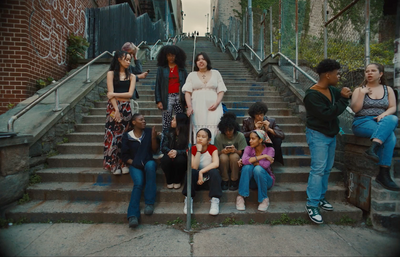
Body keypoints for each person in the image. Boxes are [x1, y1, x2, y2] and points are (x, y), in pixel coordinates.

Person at [303, 59, 352, 224]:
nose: (339, 77)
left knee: (326, 169)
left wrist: (347, 94)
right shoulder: (311, 95)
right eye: (337, 74)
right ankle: (312, 204)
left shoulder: (331, 90)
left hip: (331, 135)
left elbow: (343, 96)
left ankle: (321, 197)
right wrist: (344, 100)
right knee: (318, 169)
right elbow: (327, 113)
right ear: (327, 74)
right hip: (317, 135)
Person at [350, 63, 399, 191]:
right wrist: (362, 93)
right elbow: (355, 109)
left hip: (382, 121)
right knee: (390, 137)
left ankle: (373, 147)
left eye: (373, 71)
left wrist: (383, 114)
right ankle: (384, 173)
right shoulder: (359, 89)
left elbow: (393, 107)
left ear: (381, 74)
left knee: (392, 118)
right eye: (367, 71)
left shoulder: (388, 90)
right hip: (362, 122)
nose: (369, 73)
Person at [121, 113, 159, 228]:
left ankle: (149, 203)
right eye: (141, 120)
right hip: (135, 164)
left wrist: (153, 137)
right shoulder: (127, 136)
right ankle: (133, 215)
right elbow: (124, 156)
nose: (144, 121)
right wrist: (136, 163)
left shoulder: (148, 132)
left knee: (151, 166)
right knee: (138, 183)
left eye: (144, 119)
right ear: (133, 122)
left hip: (148, 161)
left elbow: (155, 150)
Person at [182, 52, 227, 143]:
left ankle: (213, 152)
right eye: (198, 60)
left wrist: (217, 103)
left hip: (214, 105)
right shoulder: (192, 75)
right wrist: (189, 107)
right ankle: (199, 153)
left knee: (214, 126)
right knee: (199, 127)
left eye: (203, 59)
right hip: (197, 105)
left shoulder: (216, 73)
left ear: (207, 61)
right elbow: (187, 92)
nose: (200, 61)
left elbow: (221, 90)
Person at [103, 50, 136, 175]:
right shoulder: (111, 74)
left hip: (126, 106)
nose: (128, 62)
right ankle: (113, 164)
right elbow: (110, 95)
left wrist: (114, 94)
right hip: (113, 107)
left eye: (129, 60)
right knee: (112, 136)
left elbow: (129, 94)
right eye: (126, 59)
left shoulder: (131, 76)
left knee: (124, 136)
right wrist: (116, 110)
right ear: (119, 59)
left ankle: (123, 162)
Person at [182, 128, 222, 216]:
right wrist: (199, 150)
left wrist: (201, 172)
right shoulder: (191, 149)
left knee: (214, 172)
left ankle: (215, 200)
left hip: (207, 179)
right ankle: (188, 200)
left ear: (209, 140)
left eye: (203, 137)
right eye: (198, 136)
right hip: (196, 180)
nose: (200, 138)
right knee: (191, 172)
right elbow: (194, 166)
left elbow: (216, 163)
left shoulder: (213, 148)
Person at [154, 45, 188, 143]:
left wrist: (186, 101)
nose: (171, 58)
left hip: (179, 97)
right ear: (165, 56)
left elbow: (186, 85)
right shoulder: (161, 69)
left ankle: (180, 143)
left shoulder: (181, 69)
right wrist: (158, 100)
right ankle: (165, 145)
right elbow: (158, 85)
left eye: (173, 55)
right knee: (166, 122)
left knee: (180, 121)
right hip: (166, 97)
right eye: (169, 55)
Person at [236, 130, 275, 212]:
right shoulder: (248, 148)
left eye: (253, 139)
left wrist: (250, 161)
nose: (250, 141)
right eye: (250, 138)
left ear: (260, 140)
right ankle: (241, 196)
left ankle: (264, 198)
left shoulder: (270, 150)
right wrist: (263, 156)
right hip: (251, 181)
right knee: (247, 168)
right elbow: (244, 160)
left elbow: (265, 165)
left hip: (266, 181)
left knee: (258, 169)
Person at [214, 112, 247, 191]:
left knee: (234, 156)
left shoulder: (240, 136)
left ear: (234, 128)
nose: (228, 132)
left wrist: (235, 150)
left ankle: (234, 180)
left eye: (230, 130)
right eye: (226, 130)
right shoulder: (219, 137)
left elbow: (242, 153)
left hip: (235, 159)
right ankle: (224, 180)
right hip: (223, 160)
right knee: (223, 157)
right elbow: (216, 153)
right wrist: (222, 151)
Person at [160, 113, 190, 189]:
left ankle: (178, 180)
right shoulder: (168, 132)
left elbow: (188, 148)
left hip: (182, 155)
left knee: (180, 160)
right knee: (165, 160)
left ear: (179, 122)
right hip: (169, 153)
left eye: (174, 119)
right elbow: (163, 146)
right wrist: (170, 151)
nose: (171, 121)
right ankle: (169, 180)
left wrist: (177, 152)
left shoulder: (187, 134)